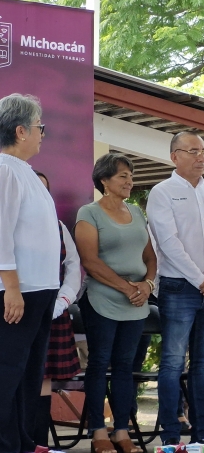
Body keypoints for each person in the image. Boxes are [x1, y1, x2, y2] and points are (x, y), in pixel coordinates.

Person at [147, 131, 204, 448]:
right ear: (174, 157)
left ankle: (202, 435)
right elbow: (168, 244)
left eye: (203, 151)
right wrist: (202, 280)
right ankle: (171, 434)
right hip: (179, 288)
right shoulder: (162, 192)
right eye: (192, 151)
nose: (200, 157)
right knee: (172, 362)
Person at [75, 153, 157, 453]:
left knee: (125, 367)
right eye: (123, 175)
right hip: (102, 298)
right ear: (104, 180)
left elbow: (150, 257)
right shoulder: (89, 213)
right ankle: (98, 432)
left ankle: (121, 431)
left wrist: (146, 285)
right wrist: (126, 288)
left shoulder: (137, 213)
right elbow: (90, 262)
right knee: (99, 363)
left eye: (130, 175)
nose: (129, 181)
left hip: (136, 300)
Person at [0, 93, 60, 453]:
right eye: (40, 127)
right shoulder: (5, 169)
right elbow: (1, 232)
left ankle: (21, 440)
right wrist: (11, 288)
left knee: (28, 374)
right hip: (18, 290)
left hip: (40, 288)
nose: (42, 134)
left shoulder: (24, 172)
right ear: (21, 131)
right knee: (7, 372)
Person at [31, 171, 82, 447]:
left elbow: (73, 267)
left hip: (53, 312)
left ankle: (39, 444)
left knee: (43, 381)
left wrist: (61, 302)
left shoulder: (59, 226)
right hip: (16, 311)